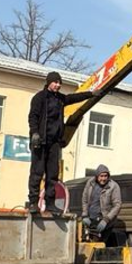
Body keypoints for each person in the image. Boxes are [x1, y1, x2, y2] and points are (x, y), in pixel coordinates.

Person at [26, 72, 94, 214]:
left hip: (54, 142)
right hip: (40, 141)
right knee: (37, 172)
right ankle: (33, 203)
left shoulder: (60, 99)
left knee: (53, 174)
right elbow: (33, 116)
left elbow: (73, 98)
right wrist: (35, 133)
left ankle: (50, 203)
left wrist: (90, 94)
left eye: (59, 83)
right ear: (49, 82)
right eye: (55, 82)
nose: (58, 85)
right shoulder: (39, 98)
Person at [83, 165, 124, 246]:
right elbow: (85, 199)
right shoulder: (90, 183)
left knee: (100, 244)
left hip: (105, 221)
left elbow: (117, 205)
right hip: (91, 220)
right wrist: (85, 215)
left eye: (105, 176)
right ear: (97, 176)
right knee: (88, 244)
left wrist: (106, 219)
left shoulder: (113, 186)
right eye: (101, 176)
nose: (103, 178)